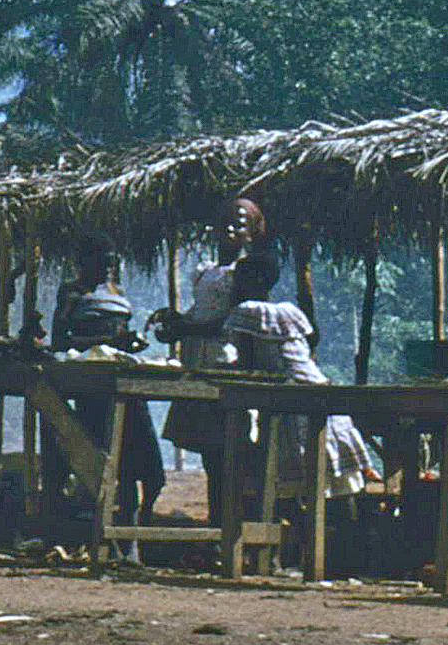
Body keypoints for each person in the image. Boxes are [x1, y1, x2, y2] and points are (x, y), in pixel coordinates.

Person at [150, 198, 272, 515]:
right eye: (226, 222)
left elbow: (236, 320)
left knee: (231, 442)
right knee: (209, 445)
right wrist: (177, 322)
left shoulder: (247, 273)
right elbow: (202, 311)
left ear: (252, 233)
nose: (230, 229)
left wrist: (187, 329)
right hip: (199, 359)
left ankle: (232, 518)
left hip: (226, 360)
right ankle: (217, 518)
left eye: (240, 224)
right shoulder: (207, 271)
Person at [224, 252, 374, 502]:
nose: (234, 285)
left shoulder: (248, 311)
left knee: (299, 477)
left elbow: (247, 365)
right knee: (334, 482)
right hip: (319, 391)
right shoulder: (289, 311)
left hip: (294, 401)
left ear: (258, 280)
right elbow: (310, 340)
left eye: (240, 278)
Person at [48, 240, 164, 527]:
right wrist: (108, 341)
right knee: (100, 458)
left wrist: (129, 344)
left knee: (139, 460)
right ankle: (98, 530)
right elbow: (60, 341)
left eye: (111, 263)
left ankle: (133, 531)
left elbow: (120, 338)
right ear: (84, 261)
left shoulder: (116, 292)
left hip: (125, 382)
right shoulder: (72, 293)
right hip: (92, 386)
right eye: (101, 261)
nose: (108, 268)